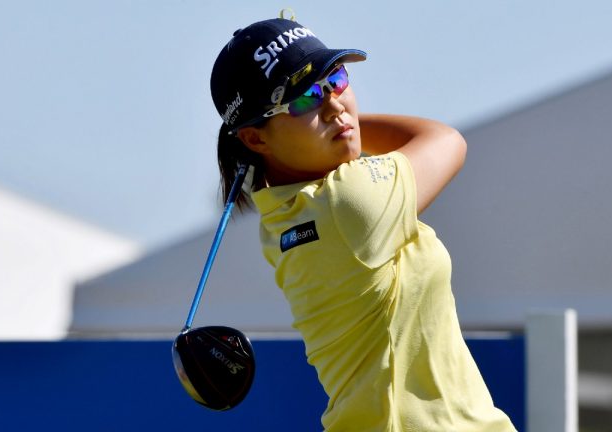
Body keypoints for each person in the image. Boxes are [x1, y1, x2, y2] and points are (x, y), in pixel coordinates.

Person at [209, 11, 517, 432]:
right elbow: (446, 141)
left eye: (335, 81)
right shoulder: (348, 202)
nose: (334, 105)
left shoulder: (281, 215)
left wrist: (330, 121)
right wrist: (349, 123)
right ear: (255, 138)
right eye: (302, 99)